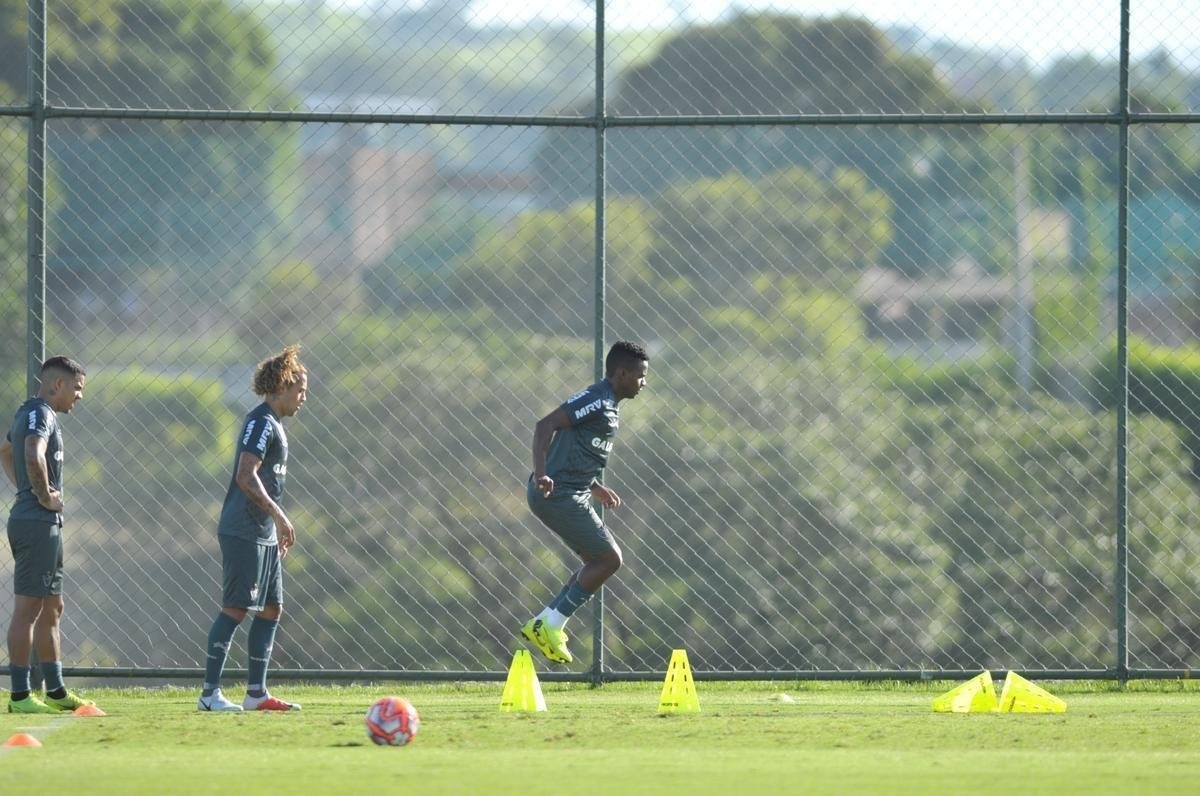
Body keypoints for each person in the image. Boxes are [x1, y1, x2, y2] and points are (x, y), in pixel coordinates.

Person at [521, 341, 649, 664]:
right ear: (621, 374)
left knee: (596, 560)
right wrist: (541, 475)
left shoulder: (609, 406)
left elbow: (575, 446)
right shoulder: (596, 399)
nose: (643, 382)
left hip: (571, 491)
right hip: (557, 493)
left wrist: (595, 486)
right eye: (640, 376)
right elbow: (544, 426)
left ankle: (547, 622)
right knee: (610, 559)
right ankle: (550, 623)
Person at [197, 345, 307, 712]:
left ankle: (256, 694)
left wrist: (274, 526)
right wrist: (279, 515)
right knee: (235, 608)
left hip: (263, 532)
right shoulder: (261, 422)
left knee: (272, 608)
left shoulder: (276, 425)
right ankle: (210, 695)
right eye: (300, 389)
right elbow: (246, 475)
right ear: (282, 385)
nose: (303, 397)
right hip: (243, 528)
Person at [1, 356, 96, 713]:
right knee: (27, 610)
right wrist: (41, 495)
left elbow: (5, 451)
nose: (79, 396)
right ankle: (21, 696)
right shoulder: (41, 413)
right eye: (77, 388)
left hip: (41, 523)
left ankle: (55, 692)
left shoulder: (30, 412)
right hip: (36, 523)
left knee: (52, 607)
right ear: (57, 385)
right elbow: (29, 451)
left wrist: (25, 489)